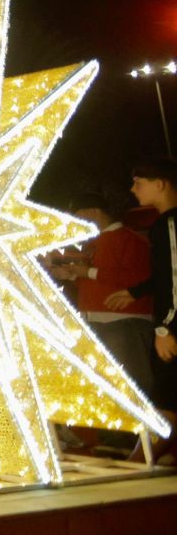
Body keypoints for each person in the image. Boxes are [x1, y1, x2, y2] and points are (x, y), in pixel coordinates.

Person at [52, 192, 154, 400]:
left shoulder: (129, 239)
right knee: (107, 388)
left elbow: (141, 280)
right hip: (96, 320)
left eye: (79, 217)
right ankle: (117, 432)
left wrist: (87, 273)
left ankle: (143, 430)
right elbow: (99, 279)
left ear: (93, 212)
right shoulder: (94, 243)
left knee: (131, 384)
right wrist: (72, 276)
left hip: (124, 321)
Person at [112, 159, 177, 419]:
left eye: (139, 183)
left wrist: (166, 327)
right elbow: (164, 274)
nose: (132, 189)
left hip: (171, 331)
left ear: (160, 184)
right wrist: (134, 292)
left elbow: (174, 278)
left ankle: (143, 458)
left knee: (167, 401)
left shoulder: (169, 224)